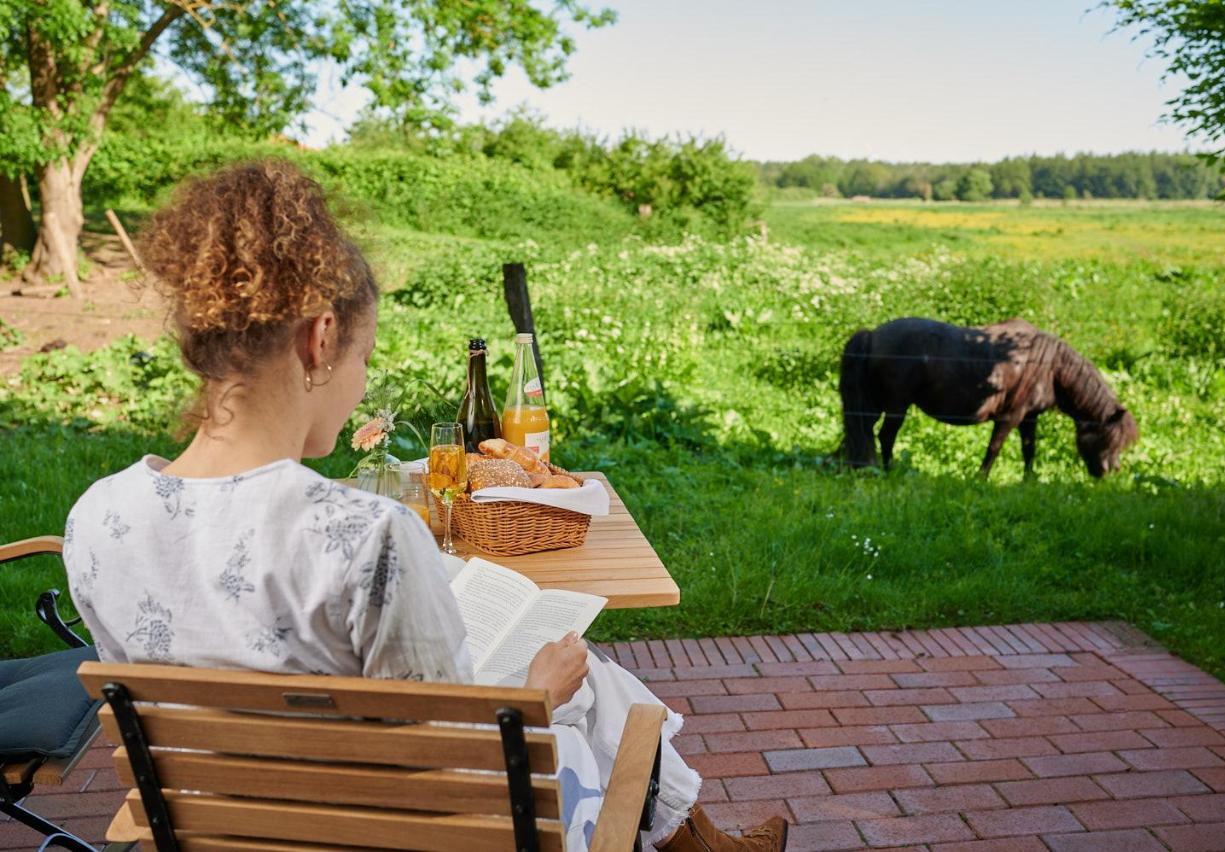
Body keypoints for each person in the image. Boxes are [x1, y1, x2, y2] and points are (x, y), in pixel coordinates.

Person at [62, 160, 787, 852]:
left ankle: (702, 838)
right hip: (399, 832)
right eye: (363, 355)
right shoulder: (365, 536)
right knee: (581, 686)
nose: (361, 379)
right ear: (319, 339)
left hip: (221, 827)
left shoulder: (96, 517)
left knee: (584, 674)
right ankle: (692, 836)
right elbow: (450, 782)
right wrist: (533, 698)